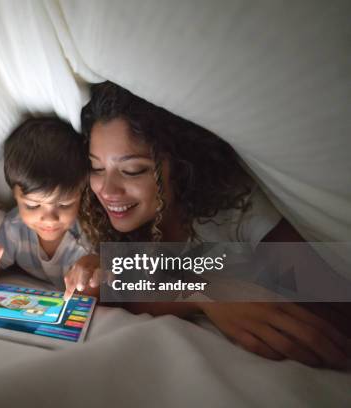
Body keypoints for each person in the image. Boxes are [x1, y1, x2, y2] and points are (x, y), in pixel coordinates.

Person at [64, 81, 350, 369]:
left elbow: (332, 299)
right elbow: (112, 294)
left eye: (133, 170)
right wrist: (201, 293)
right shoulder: (98, 216)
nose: (108, 191)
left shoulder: (236, 208)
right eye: (97, 168)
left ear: (181, 165)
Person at [0, 116, 92, 291]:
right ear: (14, 195)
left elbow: (112, 292)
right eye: (33, 206)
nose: (49, 219)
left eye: (65, 204)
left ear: (81, 193)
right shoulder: (14, 228)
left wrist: (94, 276)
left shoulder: (88, 233)